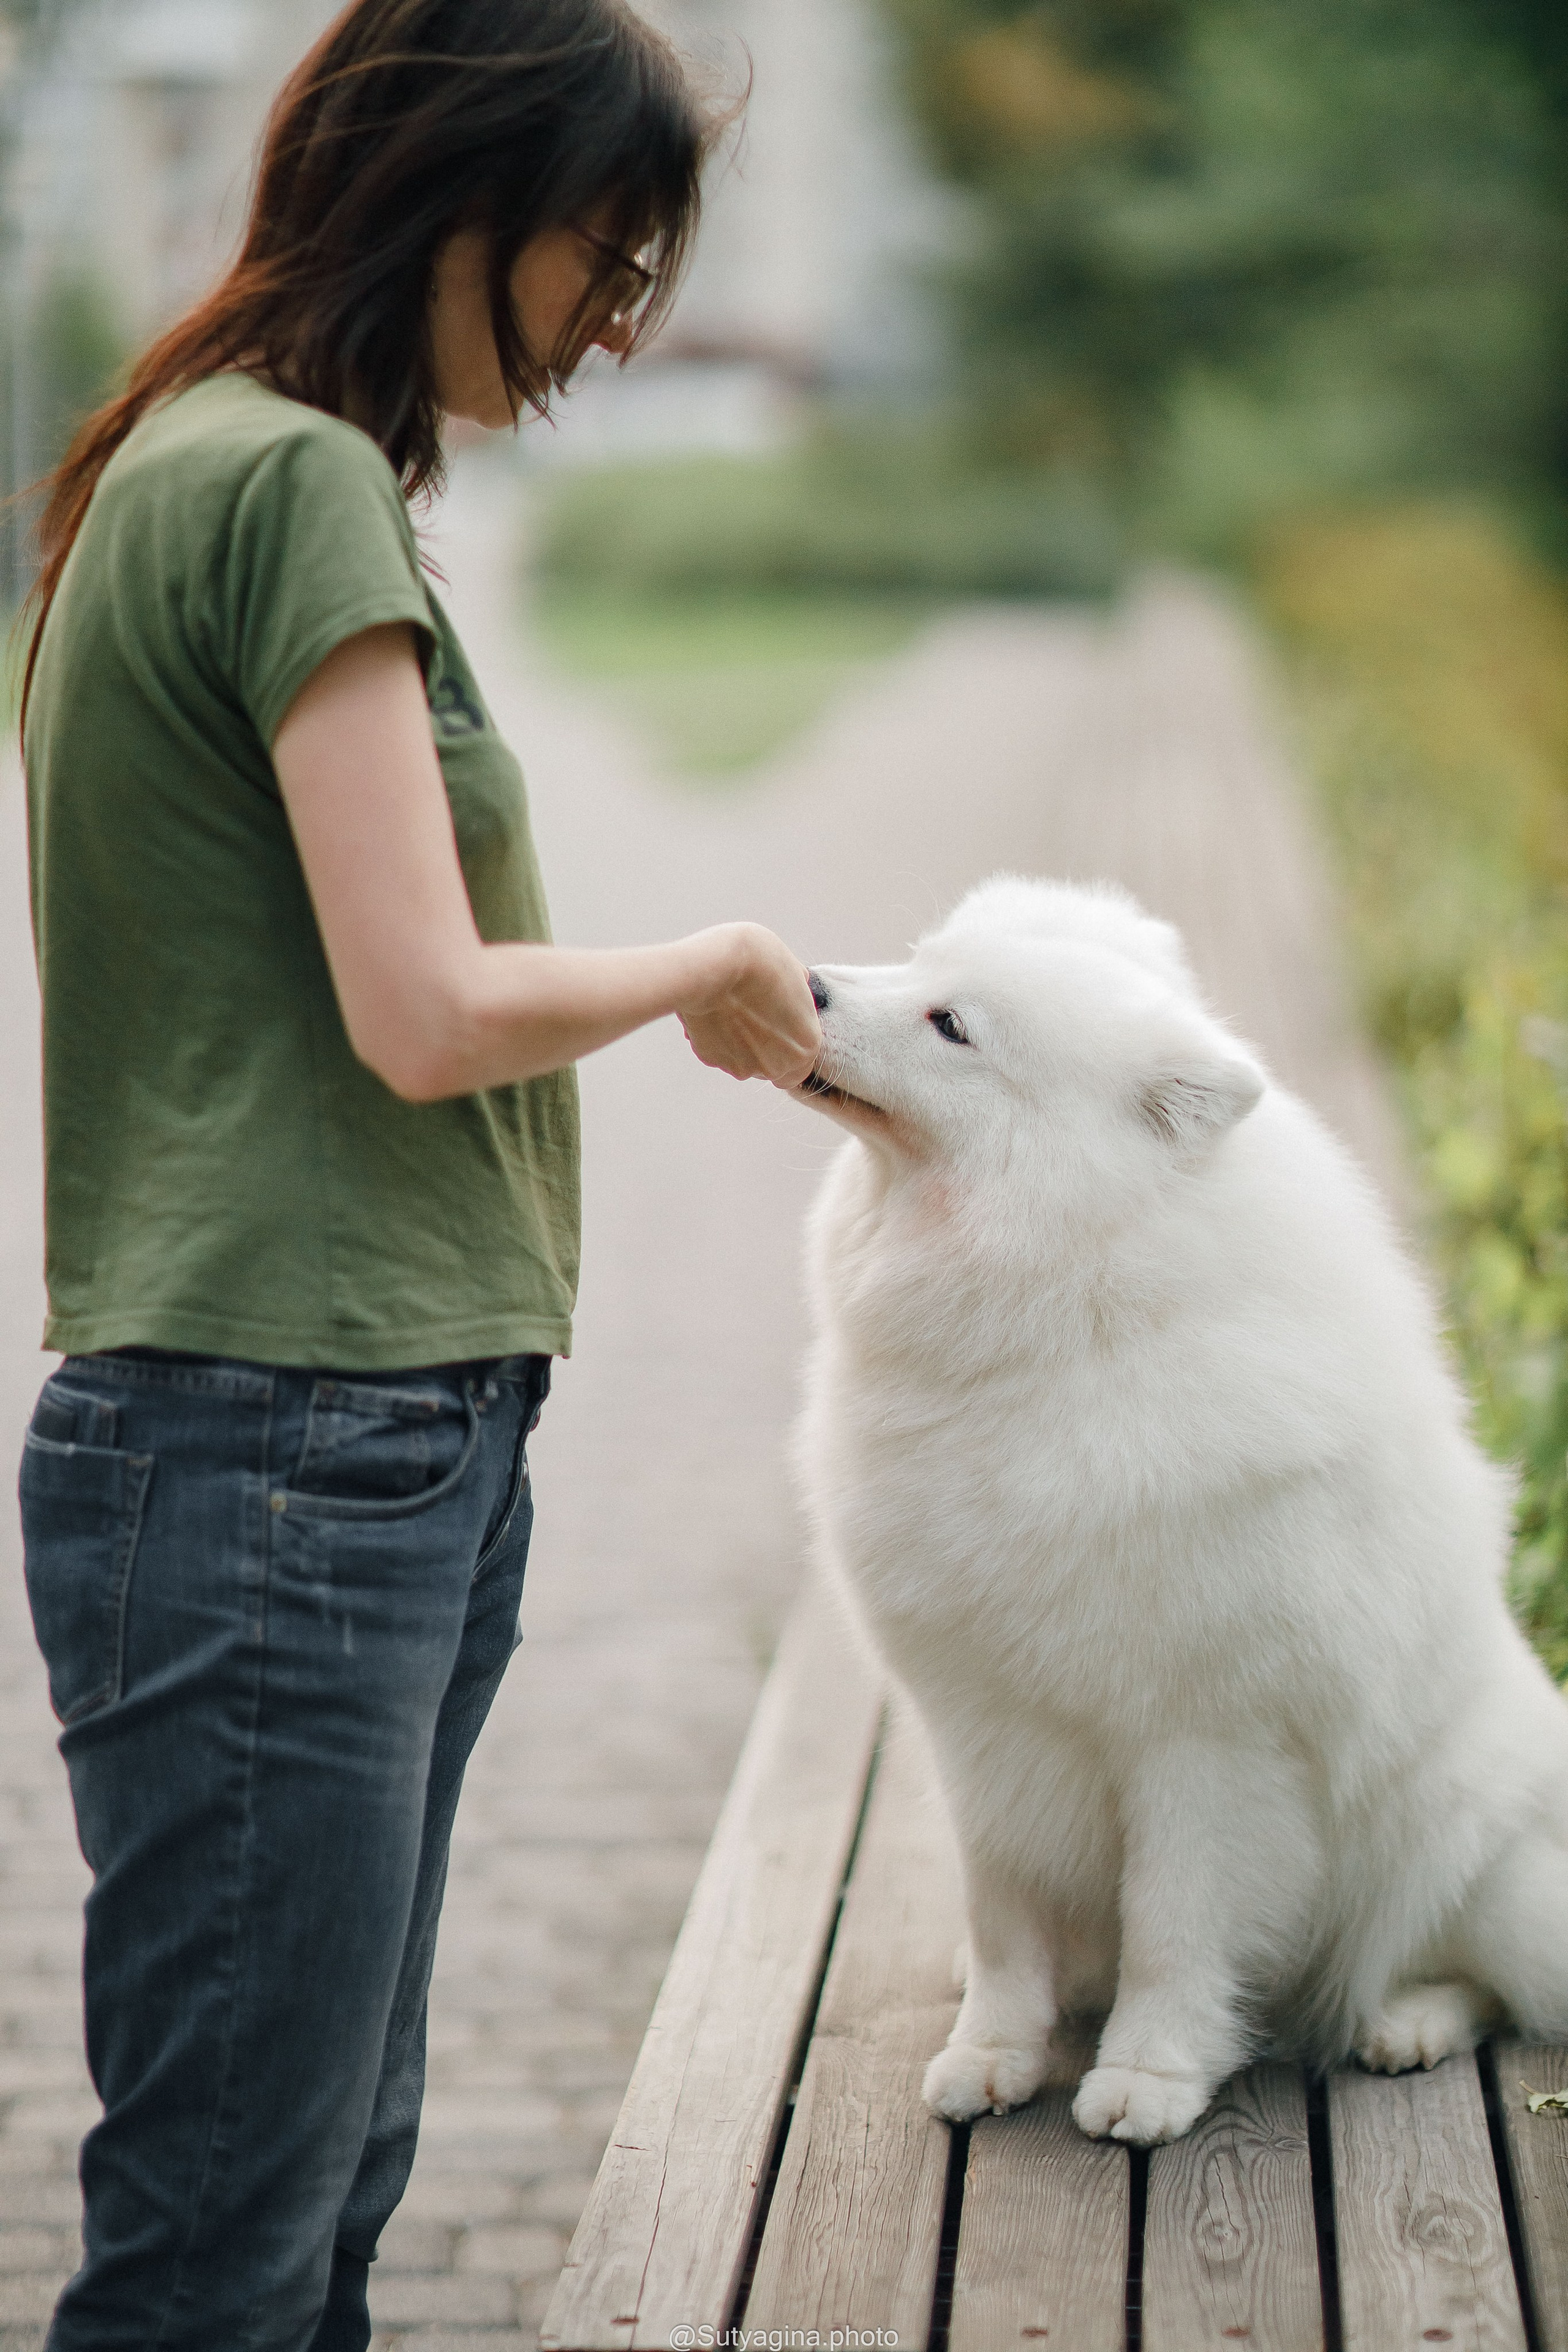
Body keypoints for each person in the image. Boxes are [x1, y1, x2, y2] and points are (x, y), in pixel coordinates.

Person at [16, 2, 821, 2343]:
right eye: (610, 246)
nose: (627, 320)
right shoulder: (283, 481)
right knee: (231, 2243)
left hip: (333, 1438)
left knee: (314, 2193)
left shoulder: (194, 456)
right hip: (291, 1443)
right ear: (457, 188)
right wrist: (711, 961)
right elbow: (422, 1008)